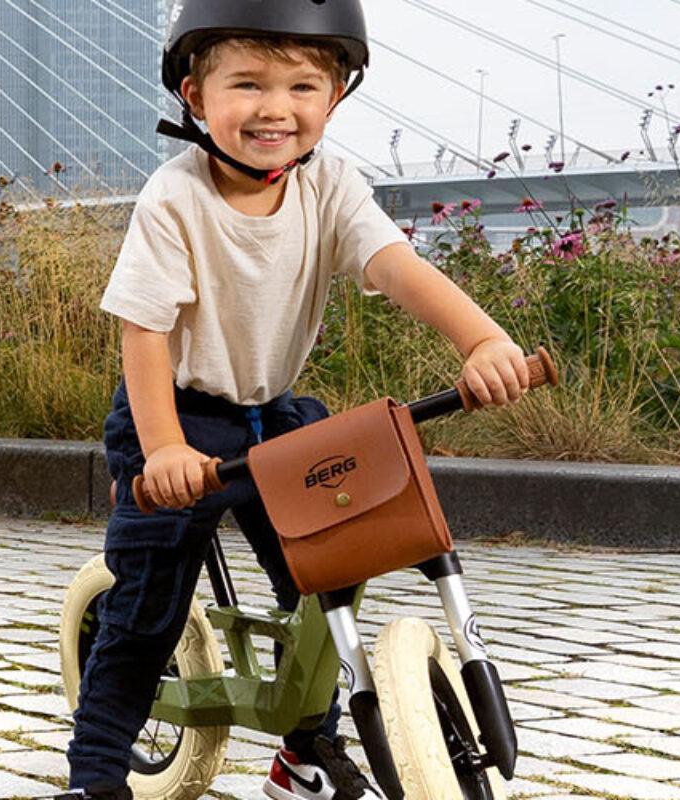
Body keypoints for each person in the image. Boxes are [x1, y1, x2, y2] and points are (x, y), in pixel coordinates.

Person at [60, 2, 530, 798]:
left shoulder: (332, 187)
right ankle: (96, 772)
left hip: (272, 412)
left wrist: (482, 341)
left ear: (334, 99)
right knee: (147, 603)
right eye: (247, 83)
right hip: (173, 412)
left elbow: (395, 267)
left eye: (302, 85)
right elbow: (141, 335)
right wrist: (166, 448)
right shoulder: (174, 199)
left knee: (328, 574)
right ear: (195, 96)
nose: (275, 107)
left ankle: (307, 746)